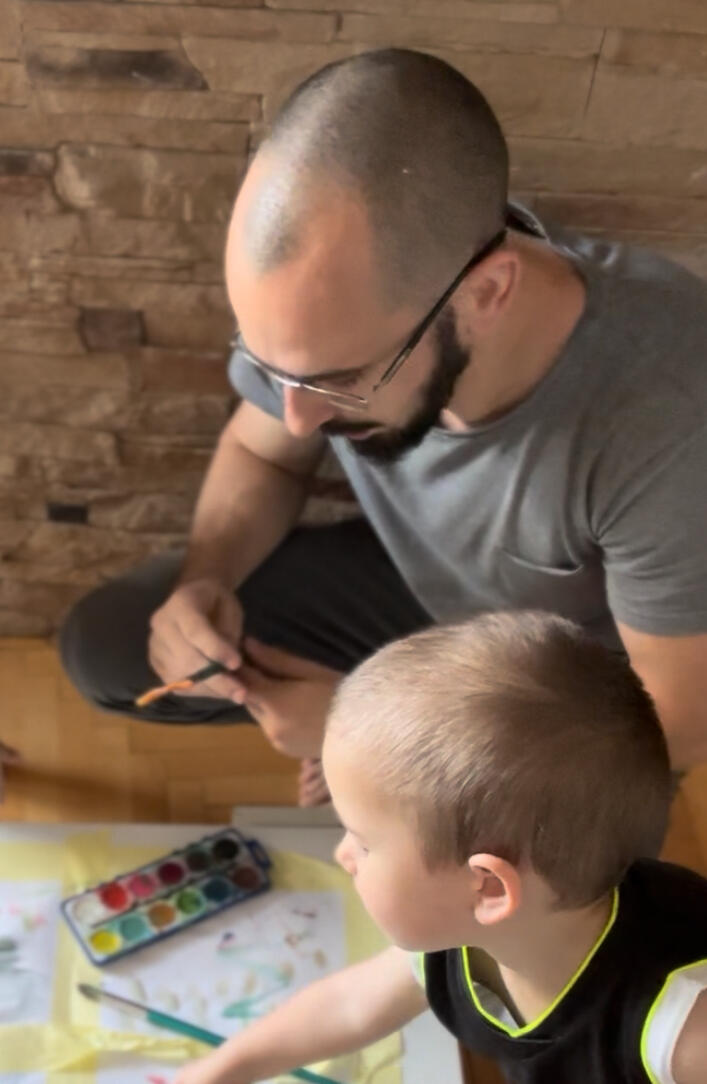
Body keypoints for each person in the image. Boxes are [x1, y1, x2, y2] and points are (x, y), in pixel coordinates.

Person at [57, 48, 707, 806]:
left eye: (339, 378)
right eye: (270, 366)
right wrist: (207, 577)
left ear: (486, 293)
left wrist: (371, 734)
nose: (298, 416)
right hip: (426, 601)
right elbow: (264, 457)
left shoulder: (671, 415)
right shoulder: (355, 301)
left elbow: (673, 729)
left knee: (514, 867)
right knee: (107, 645)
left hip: (573, 687)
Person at [174, 612, 707, 1084]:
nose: (343, 855)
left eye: (363, 842)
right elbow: (349, 1006)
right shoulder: (458, 932)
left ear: (486, 888)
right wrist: (222, 1070)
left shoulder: (685, 1036)